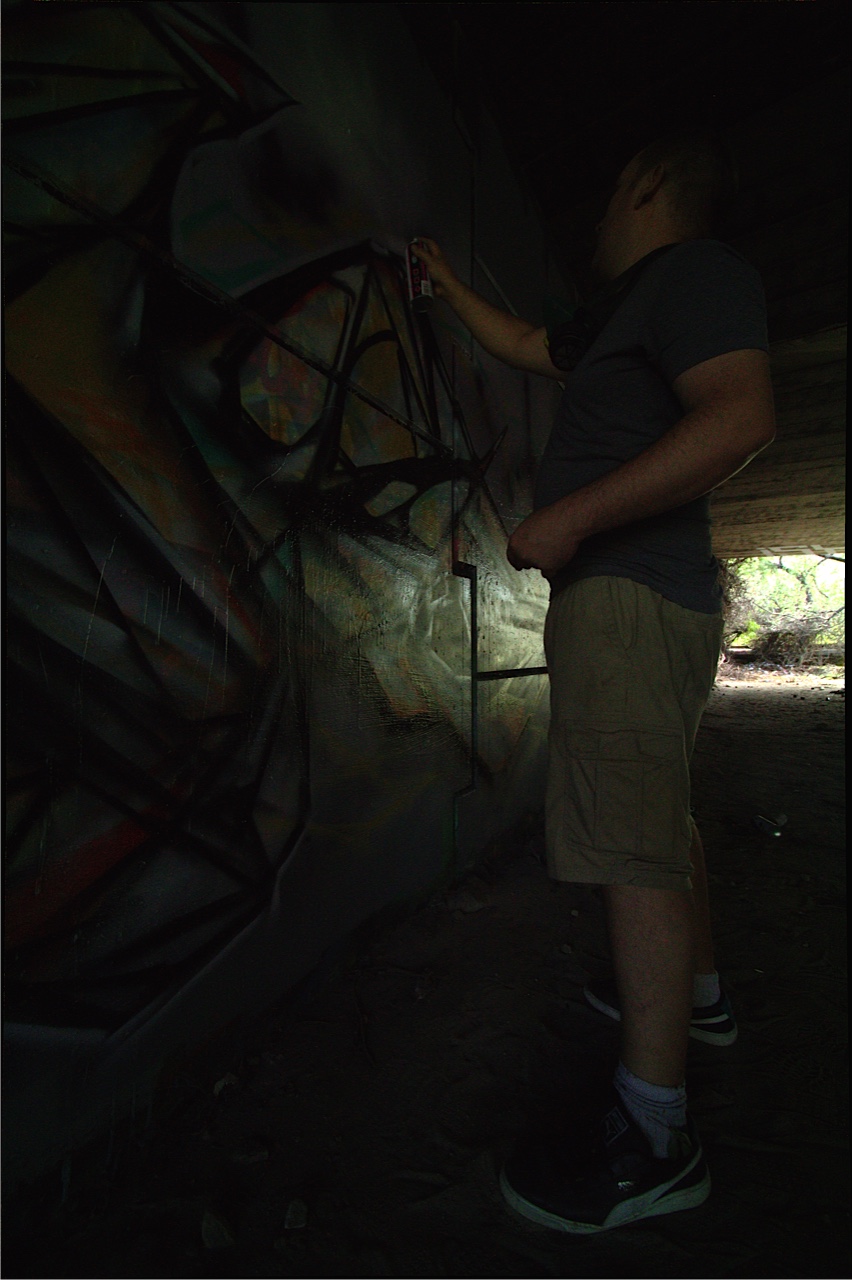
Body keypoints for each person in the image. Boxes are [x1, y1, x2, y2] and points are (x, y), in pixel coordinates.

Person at [415, 133, 775, 1233]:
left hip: (628, 591)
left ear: (651, 185)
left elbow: (741, 416)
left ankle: (653, 1139)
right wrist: (443, 283)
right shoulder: (619, 316)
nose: (600, 215)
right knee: (655, 814)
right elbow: (528, 342)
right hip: (636, 598)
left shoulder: (694, 272)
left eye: (616, 190)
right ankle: (697, 1002)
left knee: (626, 840)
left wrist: (570, 517)